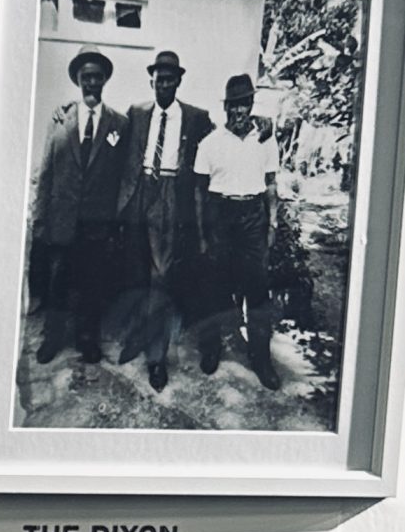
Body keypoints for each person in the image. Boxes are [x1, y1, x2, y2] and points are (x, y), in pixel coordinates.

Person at [116, 48, 213, 392]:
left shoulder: (196, 118)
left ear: (179, 81)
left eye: (170, 79)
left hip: (171, 197)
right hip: (138, 193)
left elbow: (222, 137)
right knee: (136, 273)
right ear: (152, 80)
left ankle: (157, 359)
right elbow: (115, 137)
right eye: (159, 79)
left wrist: (262, 125)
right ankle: (137, 337)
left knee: (161, 278)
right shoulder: (137, 112)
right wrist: (68, 111)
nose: (164, 85)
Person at [29, 48, 130, 374]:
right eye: (86, 76)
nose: (91, 82)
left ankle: (88, 338)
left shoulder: (119, 124)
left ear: (104, 81)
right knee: (58, 281)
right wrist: (40, 215)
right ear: (78, 80)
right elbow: (47, 170)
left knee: (92, 284)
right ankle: (52, 337)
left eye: (97, 76)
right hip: (62, 218)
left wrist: (117, 218)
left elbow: (124, 175)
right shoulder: (60, 119)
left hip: (98, 222)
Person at [193, 71, 281, 386]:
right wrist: (204, 235)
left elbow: (271, 184)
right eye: (233, 105)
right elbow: (200, 193)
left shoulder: (266, 140)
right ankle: (210, 349)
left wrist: (271, 222)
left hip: (253, 216)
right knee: (213, 286)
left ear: (251, 104)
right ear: (226, 107)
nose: (239, 111)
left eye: (244, 104)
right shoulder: (210, 143)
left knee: (257, 290)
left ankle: (261, 359)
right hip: (220, 215)